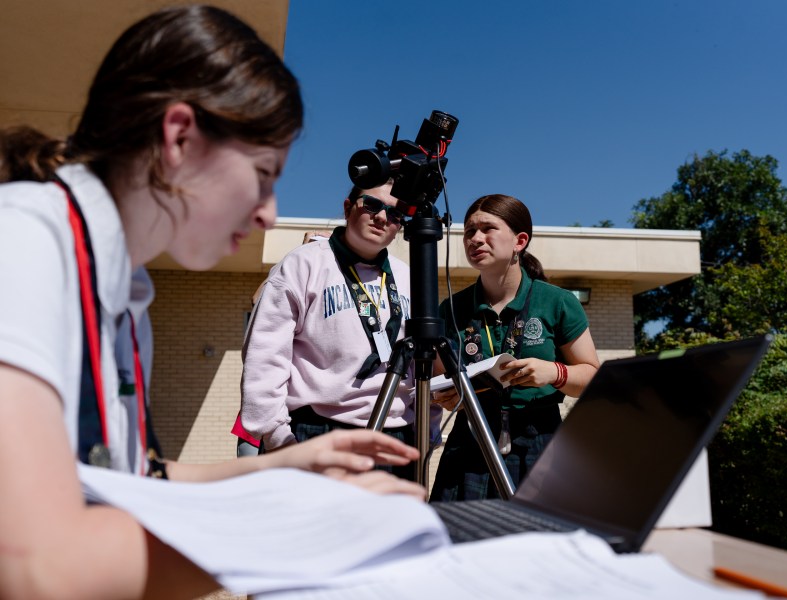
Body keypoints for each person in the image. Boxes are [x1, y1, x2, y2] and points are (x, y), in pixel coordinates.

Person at [0, 6, 424, 598]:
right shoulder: (23, 244)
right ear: (178, 139)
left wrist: (282, 469)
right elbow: (33, 571)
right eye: (262, 173)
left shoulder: (122, 289)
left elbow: (133, 481)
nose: (269, 212)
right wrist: (305, 529)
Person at [236, 181, 426, 479]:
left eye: (395, 213)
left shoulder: (408, 276)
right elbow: (265, 355)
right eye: (372, 205)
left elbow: (423, 363)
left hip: (395, 434)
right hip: (316, 432)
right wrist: (278, 439)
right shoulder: (304, 263)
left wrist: (427, 430)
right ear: (348, 207)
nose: (382, 217)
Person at [430, 194, 600, 501]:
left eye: (487, 229)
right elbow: (438, 380)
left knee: (535, 545)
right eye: (469, 231)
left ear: (519, 241)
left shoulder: (558, 301)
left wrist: (554, 372)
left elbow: (592, 380)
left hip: (538, 438)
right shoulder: (451, 308)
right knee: (461, 542)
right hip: (470, 439)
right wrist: (446, 396)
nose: (476, 238)